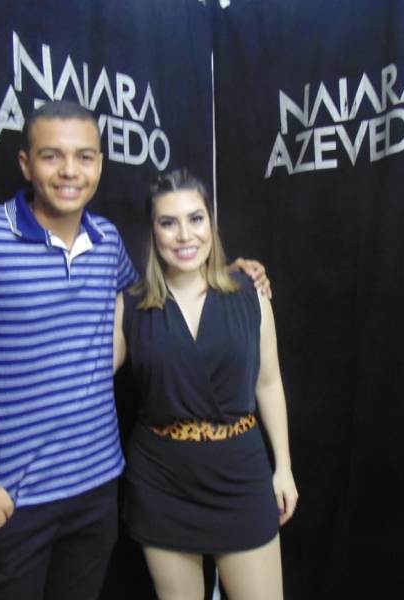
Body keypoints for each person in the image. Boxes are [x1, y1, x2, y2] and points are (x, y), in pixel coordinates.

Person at [0, 100, 268, 600]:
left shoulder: (107, 240)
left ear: (99, 165)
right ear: (25, 163)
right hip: (14, 498)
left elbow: (155, 307)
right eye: (51, 156)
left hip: (98, 489)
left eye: (84, 157)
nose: (69, 171)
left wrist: (231, 272)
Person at [115, 168, 298, 600]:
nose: (184, 235)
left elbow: (269, 383)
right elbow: (81, 376)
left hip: (240, 476)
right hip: (162, 482)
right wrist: (1, 381)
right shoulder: (130, 306)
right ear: (153, 231)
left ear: (211, 223)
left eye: (195, 219)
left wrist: (284, 468)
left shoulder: (250, 293)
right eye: (168, 222)